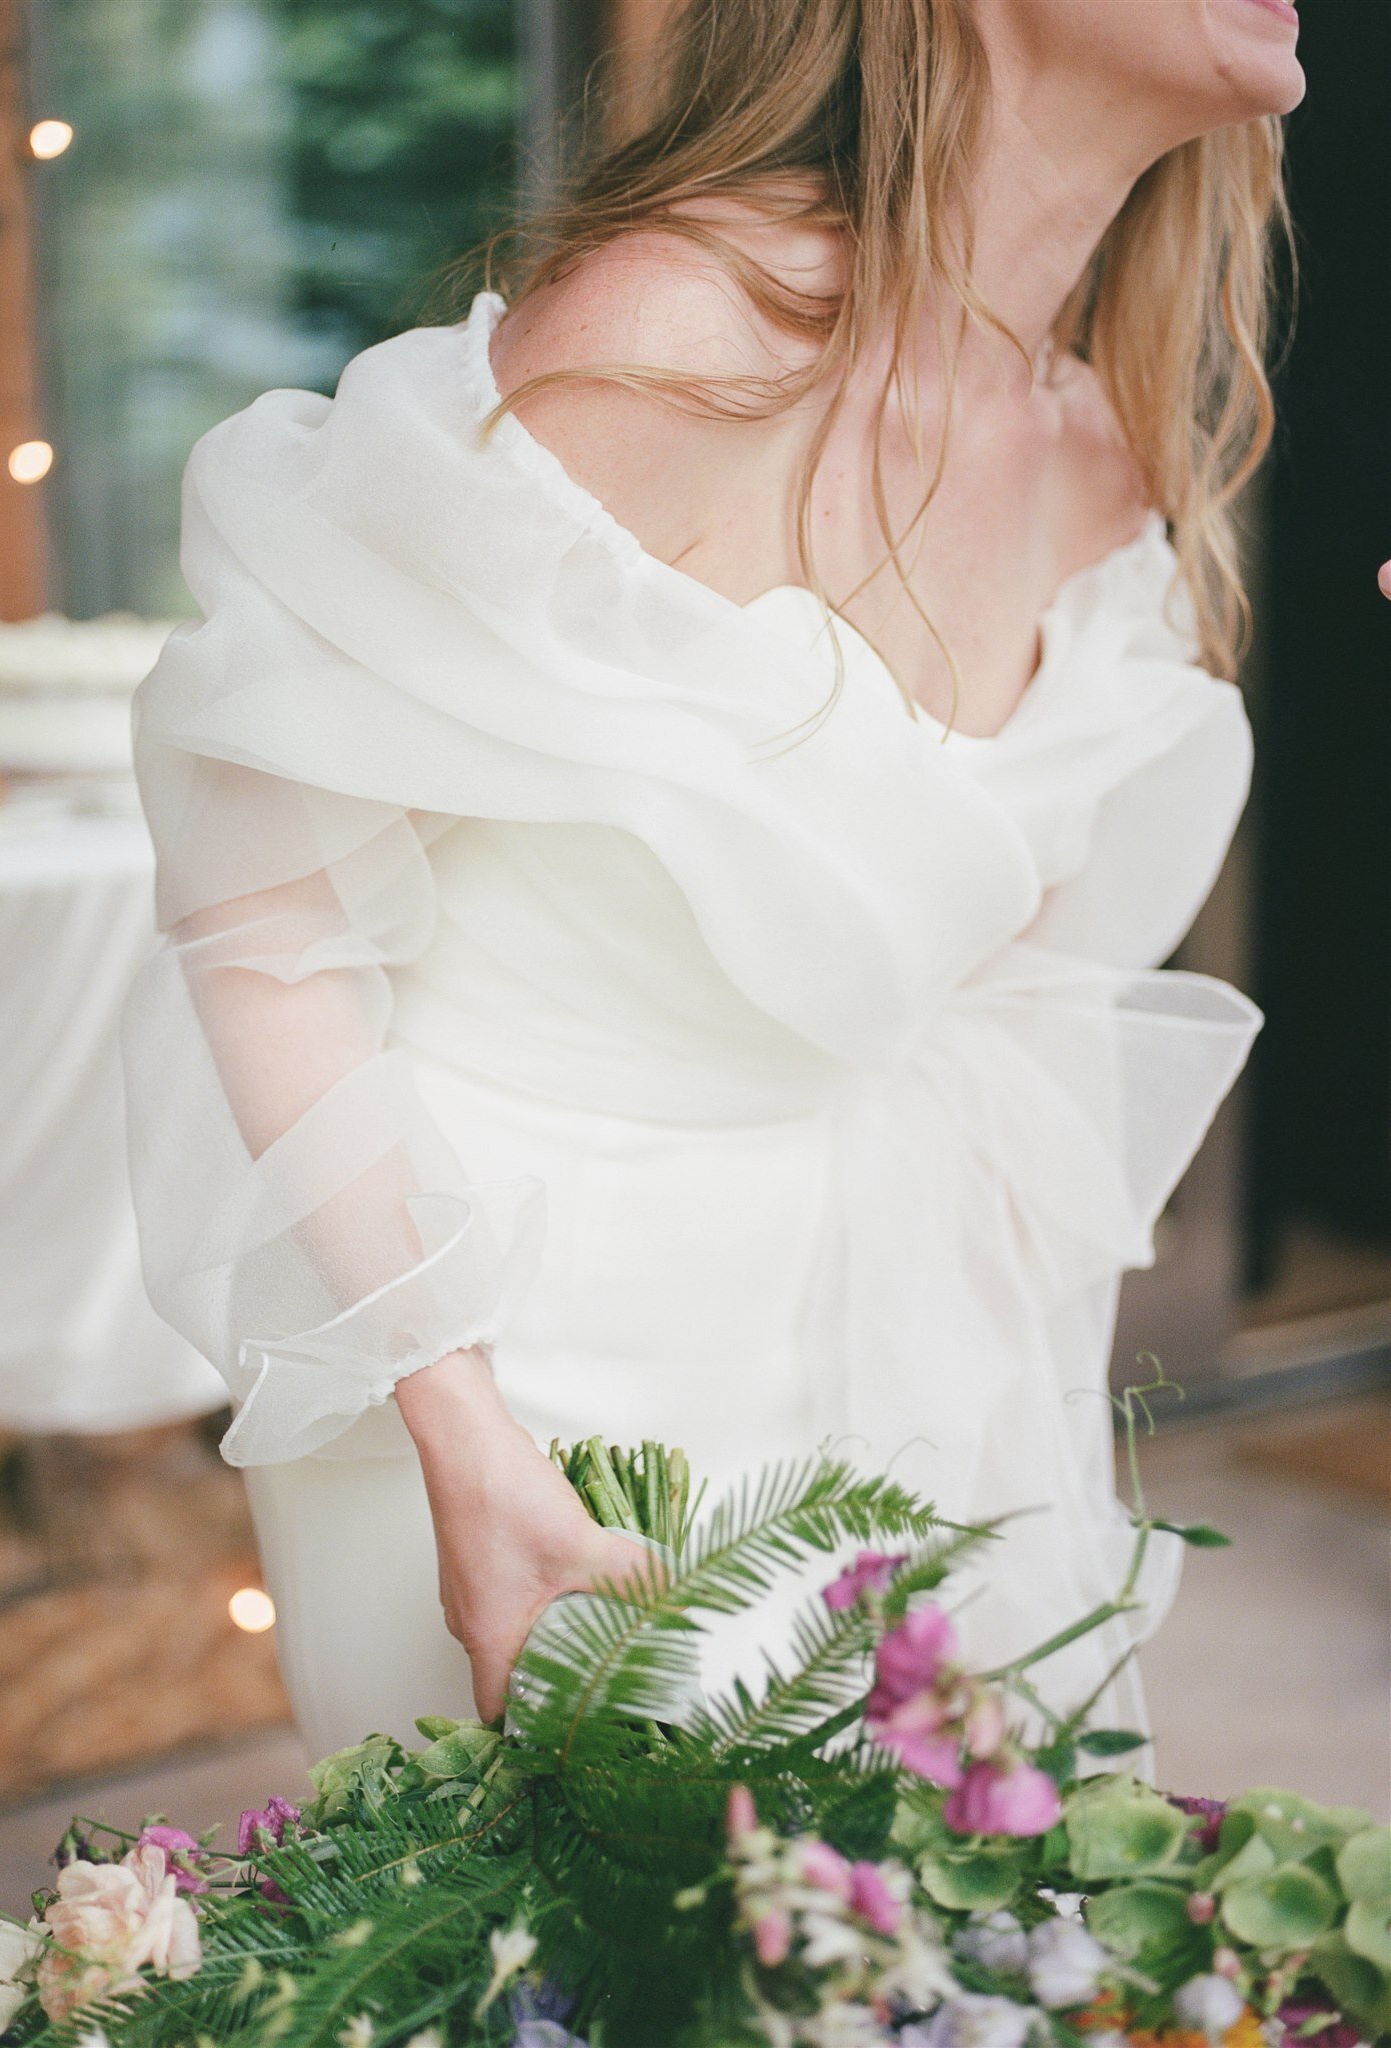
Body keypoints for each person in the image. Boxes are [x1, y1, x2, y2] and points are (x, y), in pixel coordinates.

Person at [120, 0, 1309, 1763]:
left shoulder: (1104, 453)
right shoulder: (675, 334)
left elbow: (1007, 1014)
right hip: (518, 1357)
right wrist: (456, 1419)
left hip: (883, 1337)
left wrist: (1000, 1435)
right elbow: (267, 911)